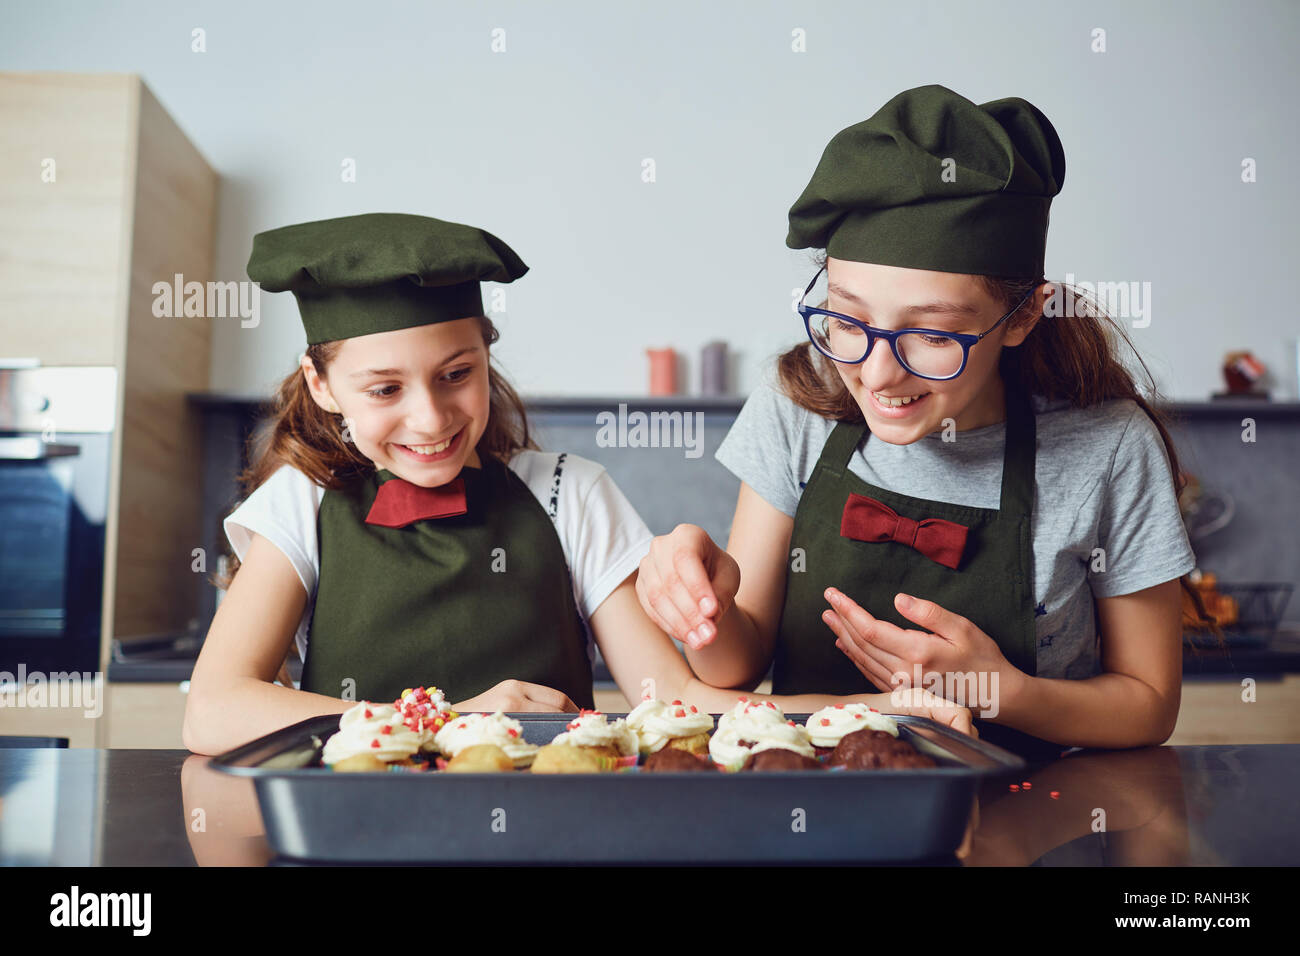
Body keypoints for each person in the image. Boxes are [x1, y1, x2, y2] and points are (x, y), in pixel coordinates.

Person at [183, 212, 972, 756]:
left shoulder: (570, 492)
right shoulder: (300, 503)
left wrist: (879, 711)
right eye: (384, 390)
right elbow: (214, 708)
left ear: (487, 357)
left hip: (544, 827)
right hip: (352, 831)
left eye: (458, 374)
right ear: (321, 386)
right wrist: (447, 721)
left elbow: (674, 699)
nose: (430, 417)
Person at [635, 85, 1210, 757]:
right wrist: (709, 608)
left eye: (933, 337)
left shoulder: (1107, 449)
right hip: (813, 818)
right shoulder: (798, 404)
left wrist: (1002, 689)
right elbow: (733, 669)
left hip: (1029, 826)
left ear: (1023, 315)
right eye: (848, 320)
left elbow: (1147, 705)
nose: (877, 374)